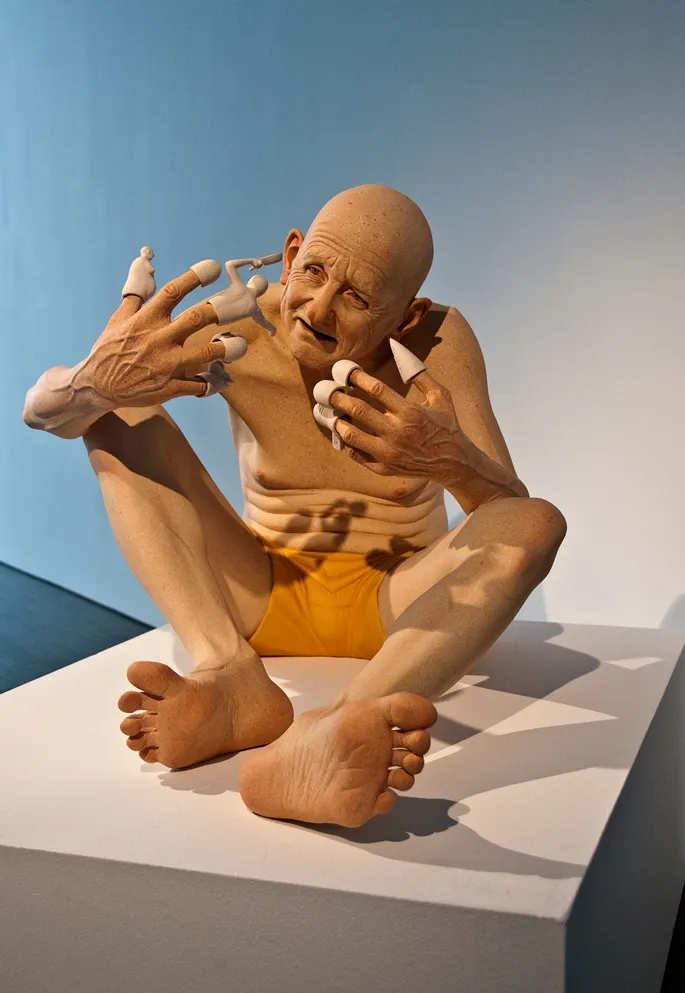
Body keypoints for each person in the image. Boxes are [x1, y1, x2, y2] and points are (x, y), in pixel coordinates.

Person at [22, 184, 567, 828]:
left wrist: (450, 463)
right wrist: (90, 383)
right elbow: (43, 412)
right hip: (259, 592)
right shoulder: (235, 324)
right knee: (117, 413)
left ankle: (335, 726)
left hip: (398, 608)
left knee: (537, 522)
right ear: (289, 255)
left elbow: (503, 513)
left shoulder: (436, 347)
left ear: (407, 317)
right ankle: (228, 673)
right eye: (313, 272)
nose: (320, 307)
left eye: (358, 297)